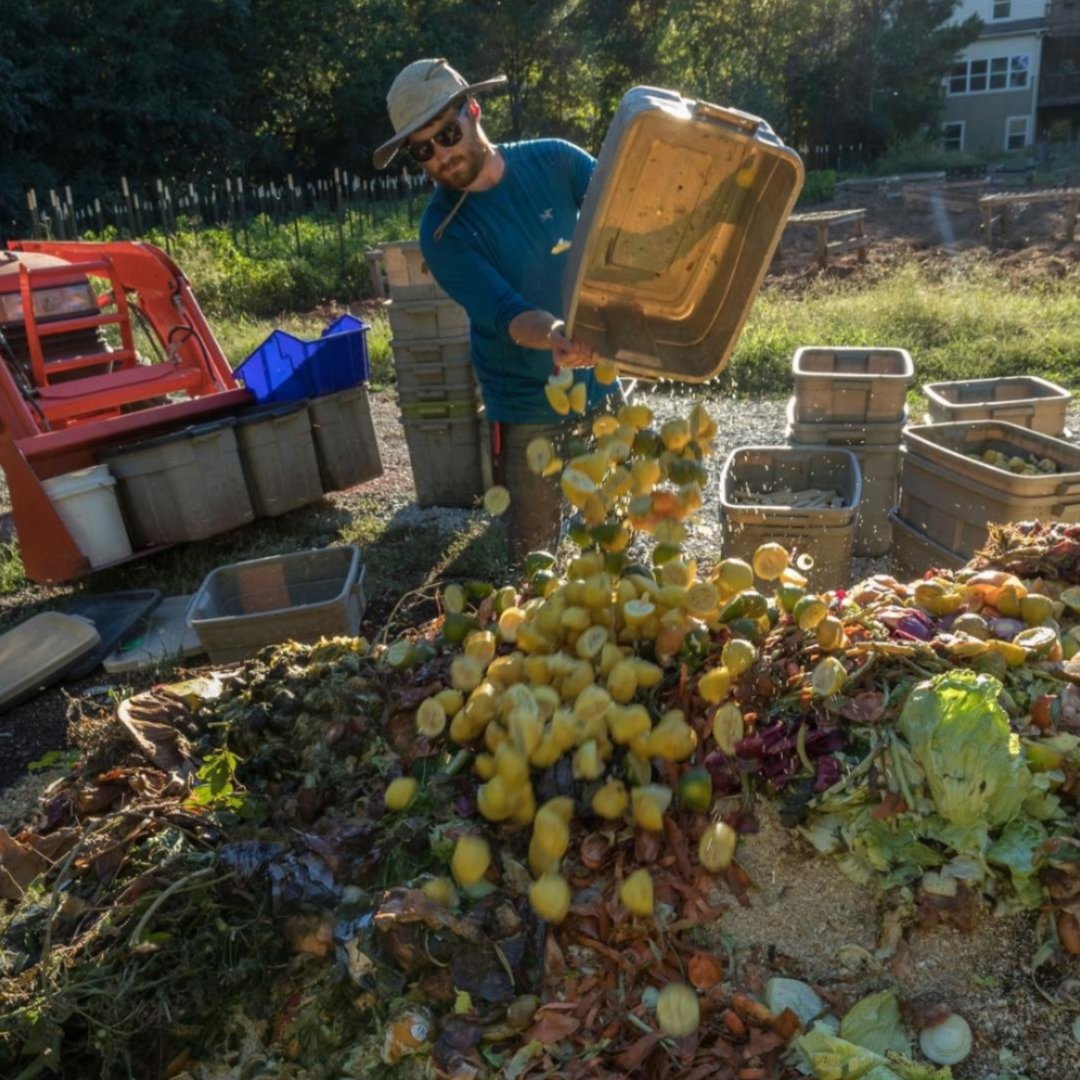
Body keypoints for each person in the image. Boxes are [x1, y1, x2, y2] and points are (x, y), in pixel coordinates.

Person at [374, 58, 619, 562]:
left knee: (616, 529)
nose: (440, 155)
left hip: (604, 381)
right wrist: (558, 335)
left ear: (475, 110)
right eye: (422, 150)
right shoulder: (443, 232)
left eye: (447, 133)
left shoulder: (555, 160)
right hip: (526, 401)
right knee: (535, 556)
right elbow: (507, 313)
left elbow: (622, 223)